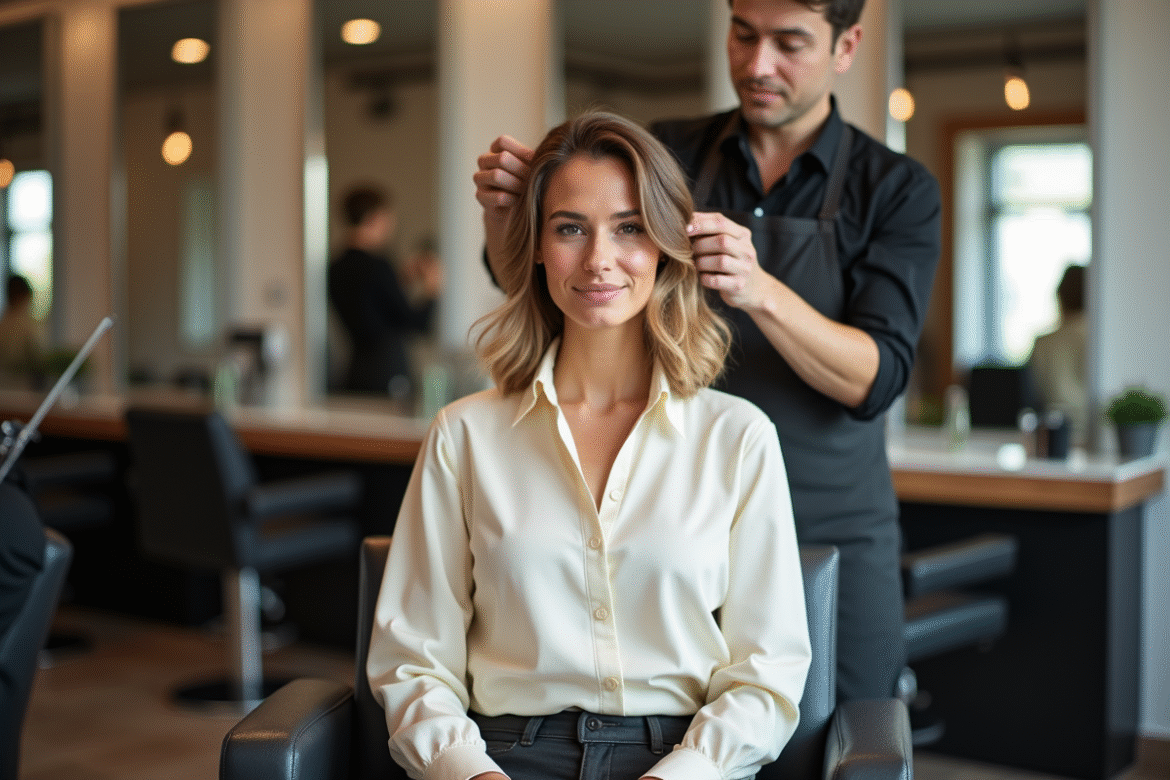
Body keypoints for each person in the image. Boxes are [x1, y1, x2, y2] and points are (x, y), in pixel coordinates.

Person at [474, 0, 941, 703]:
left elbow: (876, 377)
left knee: (850, 730)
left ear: (847, 46)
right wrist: (509, 215)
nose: (757, 66)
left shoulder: (897, 190)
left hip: (830, 517)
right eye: (744, 35)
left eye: (790, 43)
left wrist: (760, 290)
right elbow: (565, 289)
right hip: (669, 516)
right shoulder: (672, 153)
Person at [369, 112, 811, 780]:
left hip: (683, 761)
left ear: (665, 245)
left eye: (630, 228)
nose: (599, 258)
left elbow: (766, 674)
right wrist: (472, 774)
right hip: (501, 760)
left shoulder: (738, 438)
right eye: (571, 227)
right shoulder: (463, 435)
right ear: (539, 246)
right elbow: (412, 662)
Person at [327, 186, 443, 400]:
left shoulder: (335, 267)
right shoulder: (379, 266)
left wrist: (400, 281)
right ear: (375, 218)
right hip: (386, 373)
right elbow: (416, 323)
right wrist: (432, 289)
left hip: (355, 372)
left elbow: (373, 306)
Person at [1029, 264, 1088, 446]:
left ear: (1060, 296)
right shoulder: (1100, 340)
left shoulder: (1044, 344)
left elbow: (1032, 395)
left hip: (1054, 438)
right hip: (1091, 435)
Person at [0, 275, 47, 384]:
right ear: (24, 296)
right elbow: (39, 359)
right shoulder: (29, 326)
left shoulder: (3, 324)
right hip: (24, 388)